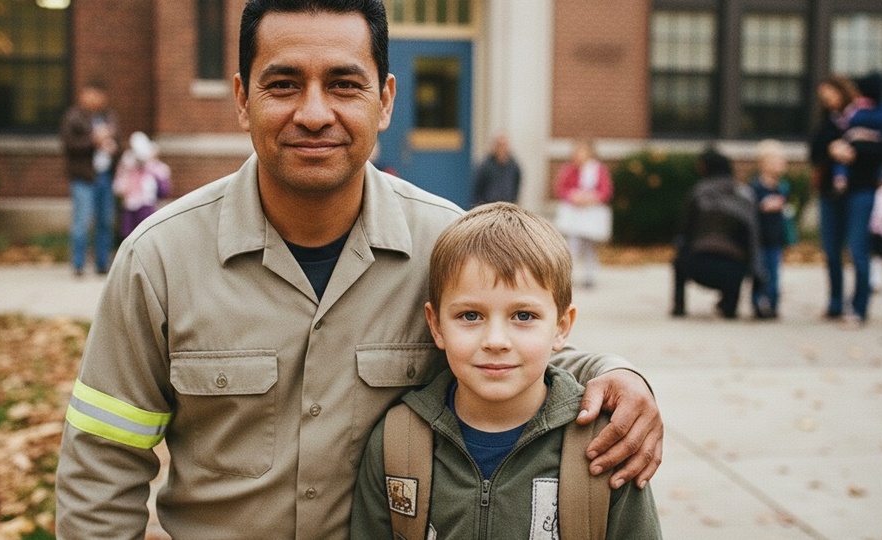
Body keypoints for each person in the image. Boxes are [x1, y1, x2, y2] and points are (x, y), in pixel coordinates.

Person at [55, 1, 663, 538]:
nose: (314, 113)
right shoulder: (158, 259)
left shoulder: (446, 245)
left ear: (386, 100)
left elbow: (512, 348)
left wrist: (618, 374)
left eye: (345, 85)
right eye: (284, 84)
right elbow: (103, 462)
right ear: (242, 99)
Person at [350, 202, 662, 539]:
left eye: (523, 316)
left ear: (561, 326)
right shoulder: (398, 440)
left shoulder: (606, 444)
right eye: (470, 315)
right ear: (435, 325)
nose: (496, 341)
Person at [809, 74, 882, 324]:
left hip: (861, 190)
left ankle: (859, 307)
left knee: (858, 249)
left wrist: (854, 153)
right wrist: (830, 149)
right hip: (830, 192)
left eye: (830, 95)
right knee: (832, 251)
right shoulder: (828, 121)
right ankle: (835, 303)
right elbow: (814, 152)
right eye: (823, 98)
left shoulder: (871, 115)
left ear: (843, 91)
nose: (827, 101)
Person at [672, 147, 766, 319]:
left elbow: (683, 231)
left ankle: (679, 305)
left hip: (697, 264)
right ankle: (729, 306)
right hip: (734, 269)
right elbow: (753, 238)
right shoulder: (744, 195)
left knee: (678, 258)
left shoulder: (698, 192)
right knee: (737, 263)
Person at [60, 80, 119, 277]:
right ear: (83, 95)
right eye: (90, 94)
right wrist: (94, 141)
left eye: (98, 94)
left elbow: (119, 143)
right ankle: (78, 264)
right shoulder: (74, 117)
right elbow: (69, 144)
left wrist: (113, 147)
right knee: (81, 222)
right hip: (84, 177)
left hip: (105, 177)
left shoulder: (109, 117)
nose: (94, 98)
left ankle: (102, 264)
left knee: (105, 222)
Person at [553, 139, 614, 288]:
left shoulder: (598, 170)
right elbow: (561, 188)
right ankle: (567, 276)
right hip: (575, 214)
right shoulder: (569, 169)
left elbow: (606, 191)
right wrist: (573, 196)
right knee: (572, 245)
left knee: (589, 247)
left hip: (591, 214)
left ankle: (590, 276)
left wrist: (592, 197)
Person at [749, 139, 794, 319]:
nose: (780, 165)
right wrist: (762, 206)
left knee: (774, 274)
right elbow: (750, 211)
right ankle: (757, 303)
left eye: (782, 161)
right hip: (759, 238)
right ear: (763, 164)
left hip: (776, 238)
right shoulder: (755, 187)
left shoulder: (783, 187)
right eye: (775, 161)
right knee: (759, 273)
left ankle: (773, 305)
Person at [112, 131, 172, 239]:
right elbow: (119, 184)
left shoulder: (154, 166)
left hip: (145, 202)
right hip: (130, 202)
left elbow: (163, 186)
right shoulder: (127, 162)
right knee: (128, 234)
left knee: (145, 233)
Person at [470, 134, 522, 206]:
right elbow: (477, 190)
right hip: (489, 207)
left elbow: (516, 187)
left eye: (504, 145)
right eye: (499, 145)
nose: (502, 149)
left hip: (507, 206)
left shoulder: (514, 166)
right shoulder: (485, 166)